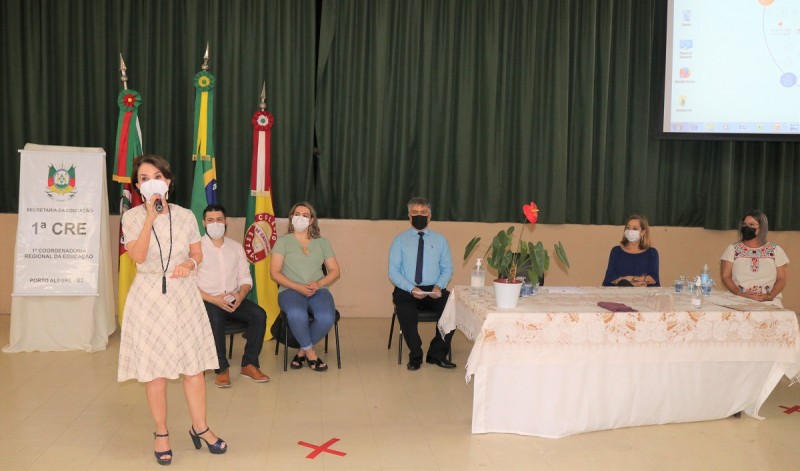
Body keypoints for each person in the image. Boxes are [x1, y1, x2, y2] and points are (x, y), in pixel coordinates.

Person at [117, 155, 226, 465]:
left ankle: (200, 427)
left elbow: (197, 252)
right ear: (137, 186)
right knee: (155, 371)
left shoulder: (186, 215)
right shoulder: (132, 217)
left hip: (183, 295)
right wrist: (150, 217)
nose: (151, 182)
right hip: (149, 296)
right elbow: (138, 256)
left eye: (157, 176)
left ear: (168, 181)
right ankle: (161, 432)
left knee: (193, 368)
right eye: (144, 178)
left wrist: (189, 263)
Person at [197, 204, 269, 388]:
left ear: (226, 221)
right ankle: (221, 369)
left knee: (259, 315)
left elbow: (245, 278)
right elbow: (188, 285)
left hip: (232, 298)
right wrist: (214, 299)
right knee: (216, 319)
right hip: (207, 299)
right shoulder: (196, 248)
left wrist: (240, 295)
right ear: (204, 223)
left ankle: (249, 364)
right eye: (210, 220)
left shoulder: (236, 247)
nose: (215, 224)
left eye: (219, 220)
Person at [269, 202, 340, 371]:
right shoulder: (283, 241)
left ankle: (302, 351)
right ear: (291, 217)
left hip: (318, 289)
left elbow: (335, 271)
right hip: (290, 290)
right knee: (296, 313)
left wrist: (319, 284)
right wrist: (297, 286)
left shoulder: (322, 242)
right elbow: (275, 273)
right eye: (297, 214)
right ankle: (311, 354)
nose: (300, 218)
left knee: (326, 317)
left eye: (305, 215)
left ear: (312, 220)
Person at [388, 197, 456, 371]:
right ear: (409, 216)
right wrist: (411, 288)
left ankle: (437, 354)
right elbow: (393, 272)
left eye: (423, 212)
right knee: (405, 310)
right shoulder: (399, 240)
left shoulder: (440, 240)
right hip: (407, 289)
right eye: (415, 213)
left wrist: (439, 286)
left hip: (434, 289)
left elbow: (447, 268)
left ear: (430, 216)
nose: (419, 216)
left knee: (452, 306)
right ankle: (415, 355)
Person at [720, 210, 789, 306]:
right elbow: (725, 277)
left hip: (768, 301)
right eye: (744, 224)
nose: (746, 227)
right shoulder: (732, 249)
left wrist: (769, 296)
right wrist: (741, 294)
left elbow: (781, 279)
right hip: (738, 299)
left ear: (762, 228)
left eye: (751, 225)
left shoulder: (775, 250)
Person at [602, 215, 660, 287]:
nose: (630, 231)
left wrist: (629, 278)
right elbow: (610, 279)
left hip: (644, 292)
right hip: (620, 292)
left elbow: (653, 279)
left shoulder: (652, 253)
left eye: (635, 228)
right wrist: (632, 283)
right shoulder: (616, 251)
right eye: (628, 228)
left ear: (643, 232)